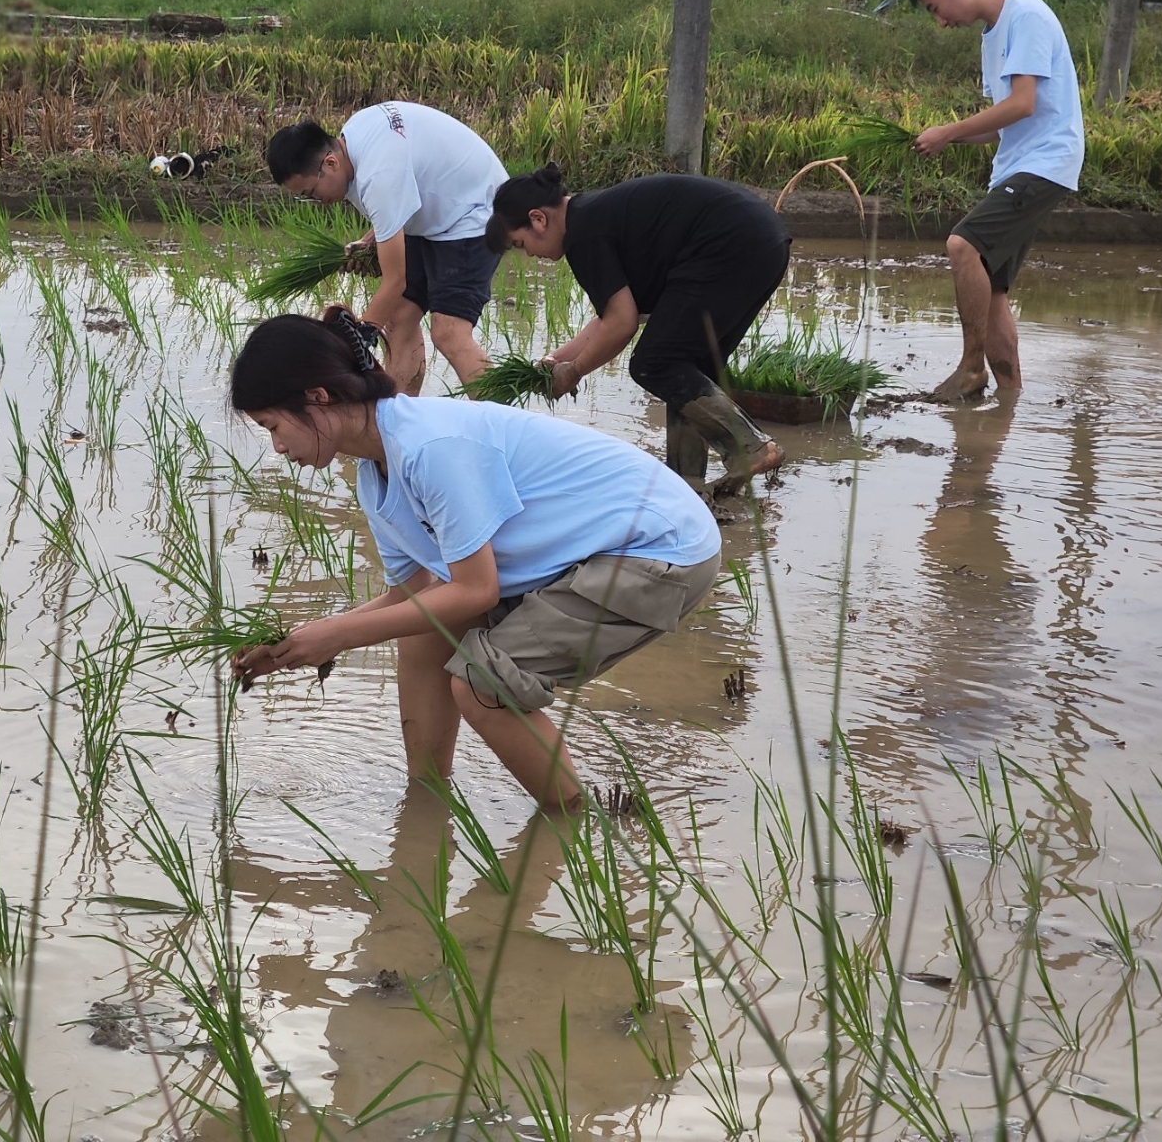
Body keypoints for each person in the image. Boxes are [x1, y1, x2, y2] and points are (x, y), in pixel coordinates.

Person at [229, 309, 721, 811]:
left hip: (657, 550)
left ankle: (574, 825)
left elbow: (476, 590)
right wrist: (298, 643)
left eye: (273, 426)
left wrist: (338, 636)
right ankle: (425, 798)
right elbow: (414, 594)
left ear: (317, 396)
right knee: (424, 631)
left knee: (483, 683)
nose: (277, 447)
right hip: (596, 551)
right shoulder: (375, 474)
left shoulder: (429, 447)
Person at [485, 165, 790, 487]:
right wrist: (552, 362)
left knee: (654, 364)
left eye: (520, 244)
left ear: (538, 219)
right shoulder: (592, 215)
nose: (530, 254)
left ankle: (750, 448)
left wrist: (573, 372)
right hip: (764, 240)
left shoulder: (583, 233)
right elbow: (610, 318)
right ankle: (687, 484)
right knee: (686, 372)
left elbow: (622, 325)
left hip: (730, 244)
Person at [909, 0, 1083, 401]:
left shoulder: (1025, 14)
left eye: (935, 9)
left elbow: (1023, 103)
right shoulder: (993, 36)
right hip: (1018, 162)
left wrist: (949, 130)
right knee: (993, 287)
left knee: (962, 245)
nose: (941, 22)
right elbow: (1001, 124)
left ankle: (971, 368)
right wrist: (945, 139)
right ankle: (1010, 395)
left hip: (1045, 160)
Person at [266, 103, 508, 394]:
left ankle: (507, 429)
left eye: (311, 193)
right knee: (399, 320)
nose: (316, 201)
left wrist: (363, 332)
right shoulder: (354, 135)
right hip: (436, 208)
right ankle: (400, 417)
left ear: (330, 163)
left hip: (475, 211)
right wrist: (369, 241)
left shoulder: (377, 174)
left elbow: (396, 280)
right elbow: (395, 201)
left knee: (449, 332)